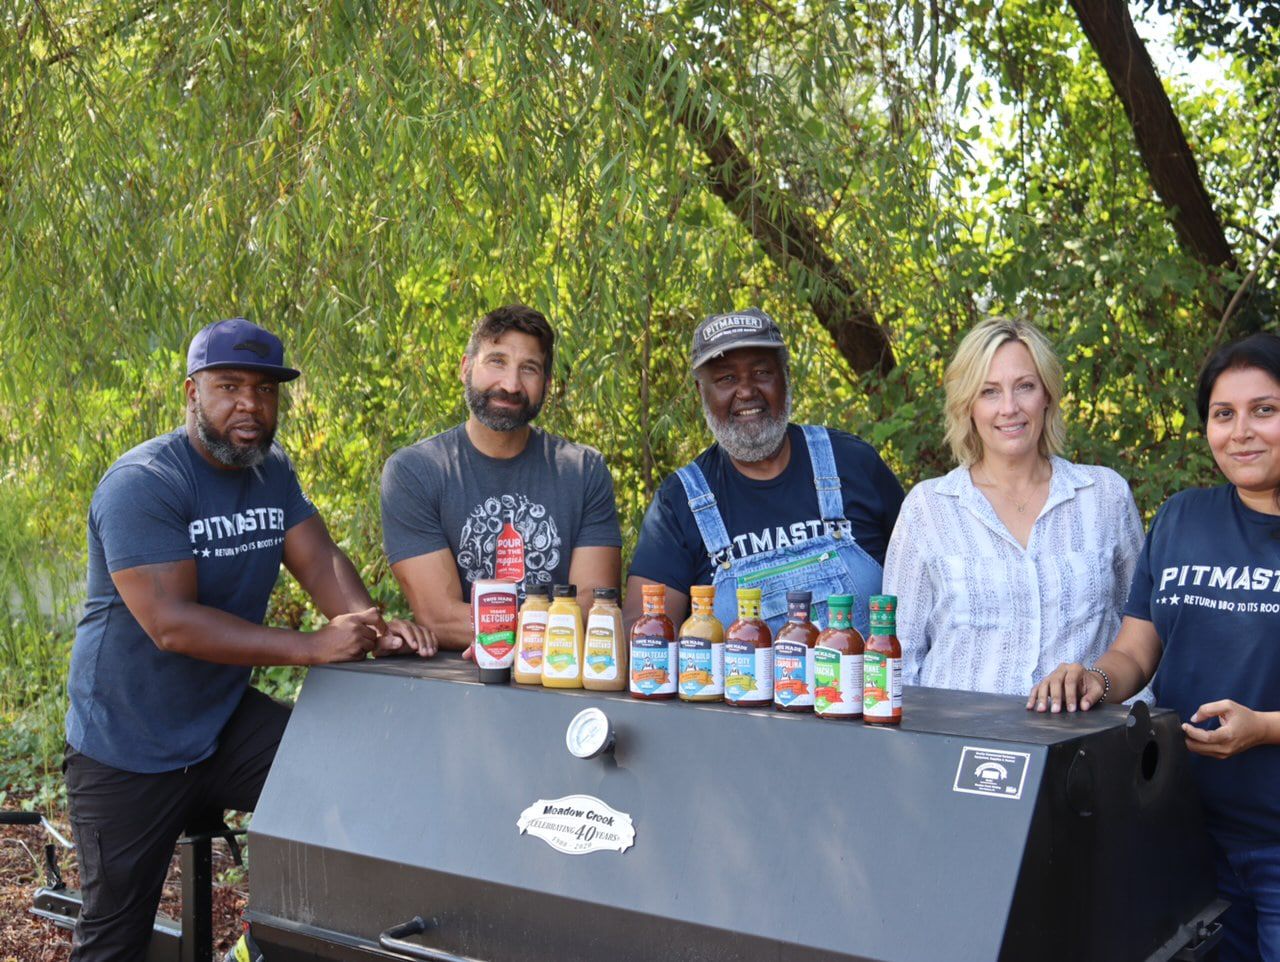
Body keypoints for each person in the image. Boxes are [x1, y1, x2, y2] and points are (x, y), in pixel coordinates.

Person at [63, 317, 432, 962]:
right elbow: (171, 623)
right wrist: (312, 645)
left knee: (352, 784)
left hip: (221, 725)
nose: (249, 406)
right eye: (229, 386)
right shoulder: (144, 484)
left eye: (265, 391)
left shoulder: (271, 473)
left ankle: (267, 945)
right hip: (127, 744)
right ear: (191, 392)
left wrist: (367, 623)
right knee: (114, 940)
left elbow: (318, 560)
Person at [1030, 332, 1280, 962]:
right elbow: (1137, 649)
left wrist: (1266, 729)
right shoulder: (1181, 518)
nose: (1242, 431)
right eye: (1223, 415)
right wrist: (1096, 680)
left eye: (1265, 410)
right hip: (1184, 835)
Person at [882, 318, 1143, 696]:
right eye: (989, 392)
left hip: (1083, 743)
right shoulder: (928, 508)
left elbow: (1141, 634)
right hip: (956, 742)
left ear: (1047, 396)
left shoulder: (1105, 496)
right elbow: (899, 657)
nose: (1009, 407)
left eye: (1025, 387)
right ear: (966, 404)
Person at [626, 307, 903, 635]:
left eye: (761, 372)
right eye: (727, 378)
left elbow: (924, 588)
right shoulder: (678, 503)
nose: (746, 391)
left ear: (786, 377)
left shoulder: (854, 463)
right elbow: (644, 641)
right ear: (701, 393)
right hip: (740, 687)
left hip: (867, 686)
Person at [381, 304, 621, 647]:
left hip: (558, 675)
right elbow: (439, 616)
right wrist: (541, 628)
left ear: (547, 385)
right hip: (457, 682)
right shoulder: (415, 472)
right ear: (465, 368)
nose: (510, 384)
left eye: (529, 369)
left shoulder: (583, 471)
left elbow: (592, 607)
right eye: (497, 361)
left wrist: (498, 632)